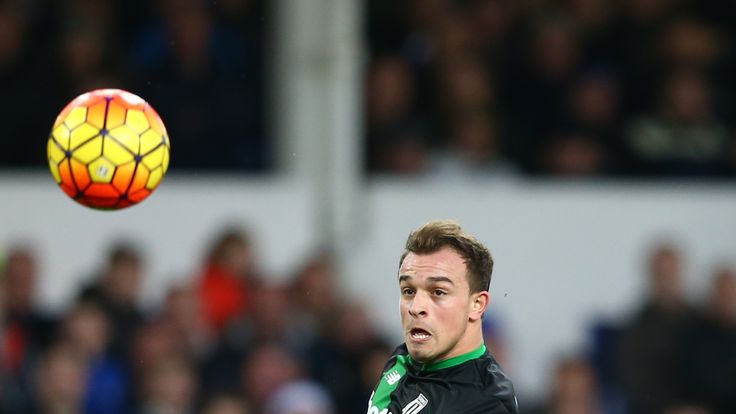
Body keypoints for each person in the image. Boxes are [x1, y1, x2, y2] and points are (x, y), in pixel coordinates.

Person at [367, 220, 518, 413]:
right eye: (409, 290)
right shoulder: (401, 359)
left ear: (476, 305)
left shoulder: (485, 403)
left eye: (438, 292)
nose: (416, 307)